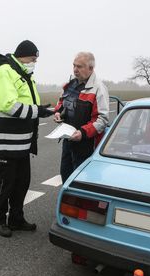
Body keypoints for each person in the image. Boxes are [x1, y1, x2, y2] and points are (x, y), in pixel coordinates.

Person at [0, 40, 53, 237]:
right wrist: (38, 111)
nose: (34, 63)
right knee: (6, 183)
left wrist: (43, 109)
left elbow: (27, 103)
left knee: (22, 182)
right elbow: (10, 105)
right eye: (32, 59)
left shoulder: (24, 74)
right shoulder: (4, 73)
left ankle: (16, 218)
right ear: (22, 56)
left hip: (23, 142)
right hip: (7, 141)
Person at [53, 52, 109, 182]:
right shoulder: (69, 84)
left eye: (80, 66)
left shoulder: (99, 89)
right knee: (66, 175)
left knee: (83, 180)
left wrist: (83, 133)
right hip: (68, 140)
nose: (75, 69)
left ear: (91, 68)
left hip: (87, 144)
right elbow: (61, 103)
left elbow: (102, 119)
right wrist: (58, 113)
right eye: (74, 65)